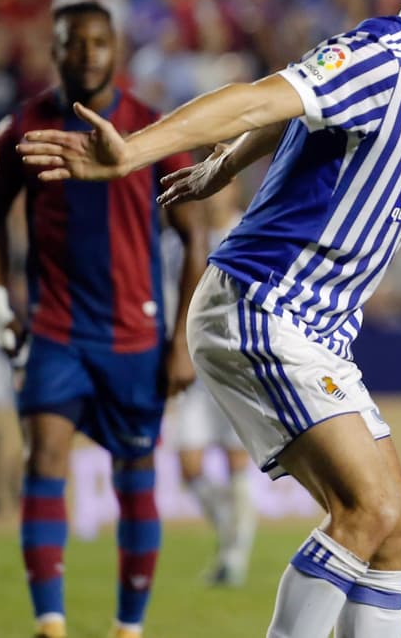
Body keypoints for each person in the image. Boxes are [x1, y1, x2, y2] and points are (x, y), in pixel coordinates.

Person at [17, 0, 401, 638]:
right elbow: (261, 97)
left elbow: (295, 104)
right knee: (369, 512)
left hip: (312, 324)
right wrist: (133, 152)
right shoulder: (388, 58)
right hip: (266, 305)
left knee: (398, 531)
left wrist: (227, 163)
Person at [0, 0, 206, 638]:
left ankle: (128, 627)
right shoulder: (21, 129)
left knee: (135, 478)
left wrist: (182, 340)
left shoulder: (152, 129)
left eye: (98, 42)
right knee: (43, 458)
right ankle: (50, 623)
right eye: (72, 42)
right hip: (56, 331)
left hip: (135, 338)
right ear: (53, 50)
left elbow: (194, 237)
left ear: (116, 49)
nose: (86, 53)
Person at [167, 181, 257, 587]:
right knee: (189, 465)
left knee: (237, 463)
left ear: (234, 190)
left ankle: (235, 558)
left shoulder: (251, 231)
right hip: (195, 367)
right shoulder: (182, 240)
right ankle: (229, 533)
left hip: (238, 365)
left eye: (226, 184)